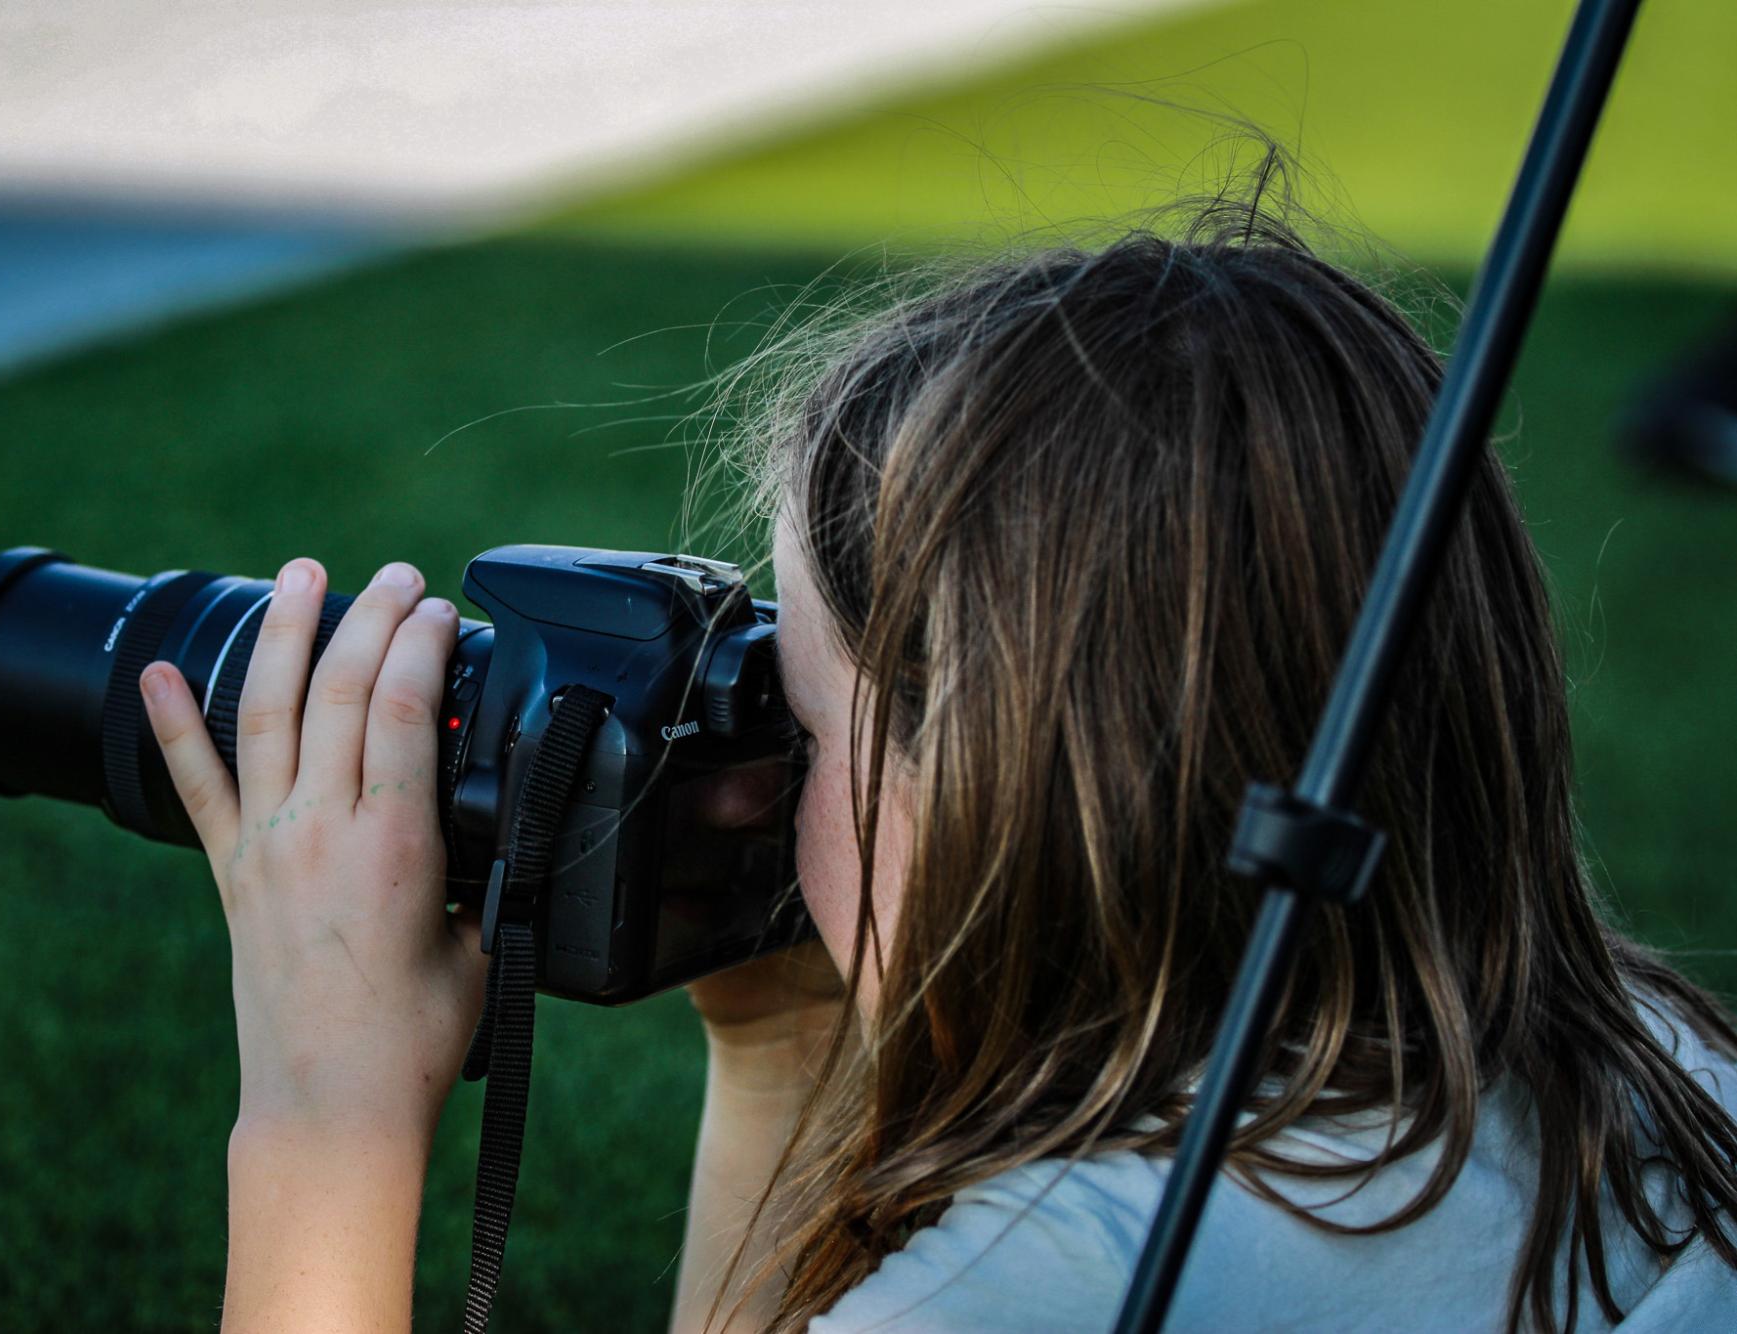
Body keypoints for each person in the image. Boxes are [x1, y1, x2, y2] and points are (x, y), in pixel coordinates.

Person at [135, 200, 1737, 1332]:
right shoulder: (1664, 1063)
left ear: (1016, 803)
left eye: (805, 720)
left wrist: (322, 1119)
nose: (756, 769)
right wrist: (777, 1047)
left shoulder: (1052, 1281)